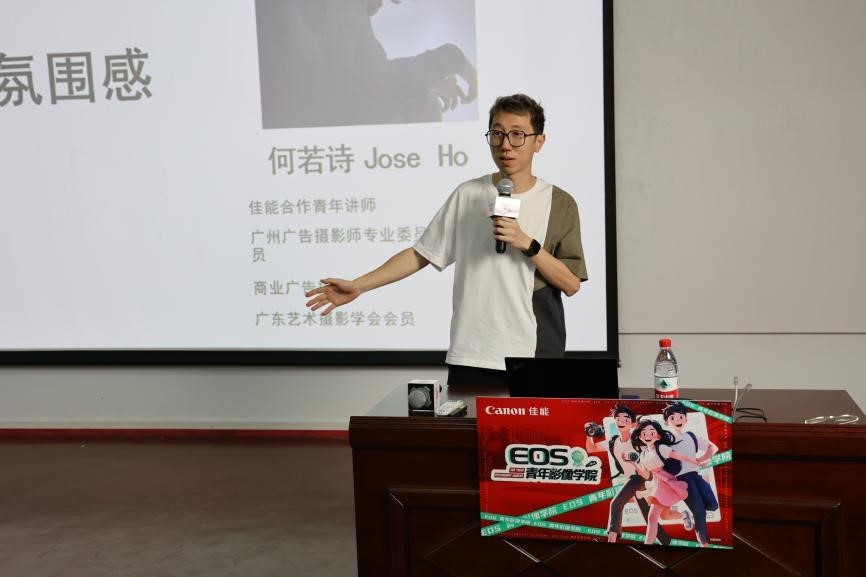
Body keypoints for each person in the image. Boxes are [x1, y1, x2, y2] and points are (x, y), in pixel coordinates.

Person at [304, 93, 587, 385]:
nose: (505, 145)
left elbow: (571, 283)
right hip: (472, 353)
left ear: (539, 141)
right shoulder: (468, 193)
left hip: (534, 352)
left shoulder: (559, 203)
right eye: (497, 134)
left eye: (517, 135)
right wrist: (358, 286)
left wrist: (526, 242)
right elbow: (421, 254)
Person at [584, 404, 671, 544]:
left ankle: (611, 540)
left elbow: (655, 447)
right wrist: (589, 434)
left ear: (633, 423)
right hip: (633, 480)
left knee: (616, 503)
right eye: (618, 418)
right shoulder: (613, 442)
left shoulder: (638, 439)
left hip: (643, 476)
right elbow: (591, 448)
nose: (621, 421)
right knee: (647, 514)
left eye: (626, 418)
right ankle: (665, 540)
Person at [630, 419, 701, 546]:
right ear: (640, 436)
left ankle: (648, 544)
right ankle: (684, 515)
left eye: (651, 432)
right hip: (656, 483)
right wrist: (633, 464)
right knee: (664, 516)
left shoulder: (661, 448)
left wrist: (695, 461)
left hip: (666, 482)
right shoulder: (643, 454)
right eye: (644, 433)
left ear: (658, 436)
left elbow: (677, 455)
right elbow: (646, 475)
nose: (647, 435)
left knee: (652, 517)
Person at [662, 402, 720, 547]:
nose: (678, 420)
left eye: (681, 417)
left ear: (686, 419)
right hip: (681, 479)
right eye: (673, 418)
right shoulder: (665, 439)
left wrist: (701, 459)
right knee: (699, 510)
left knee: (713, 505)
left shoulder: (691, 436)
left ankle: (693, 516)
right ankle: (704, 543)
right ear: (667, 422)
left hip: (695, 475)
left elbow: (713, 447)